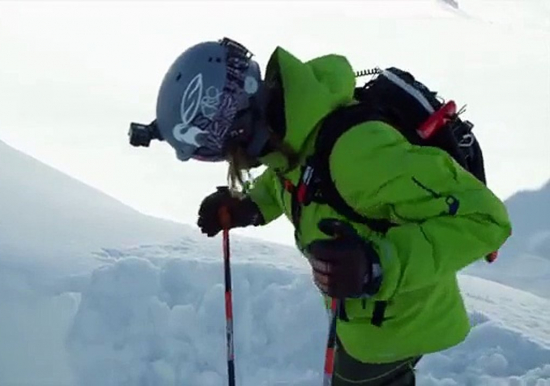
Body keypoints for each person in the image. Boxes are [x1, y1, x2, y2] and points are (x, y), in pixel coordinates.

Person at [130, 37, 512, 385]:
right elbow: (297, 175)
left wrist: (378, 266)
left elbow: (487, 219)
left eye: (221, 154)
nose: (233, 164)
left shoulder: (356, 155)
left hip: (397, 326)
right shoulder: (294, 128)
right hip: (362, 317)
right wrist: (251, 206)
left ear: (242, 130)